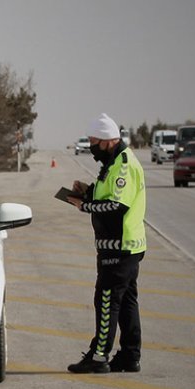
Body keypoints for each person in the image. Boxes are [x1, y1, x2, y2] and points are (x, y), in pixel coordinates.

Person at [63, 113, 147, 373]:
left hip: (120, 247)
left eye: (94, 142)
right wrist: (87, 191)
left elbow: (117, 205)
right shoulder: (112, 163)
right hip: (122, 246)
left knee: (107, 300)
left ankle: (99, 357)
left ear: (108, 141)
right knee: (126, 303)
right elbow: (108, 194)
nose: (91, 147)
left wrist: (84, 205)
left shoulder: (123, 164)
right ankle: (130, 356)